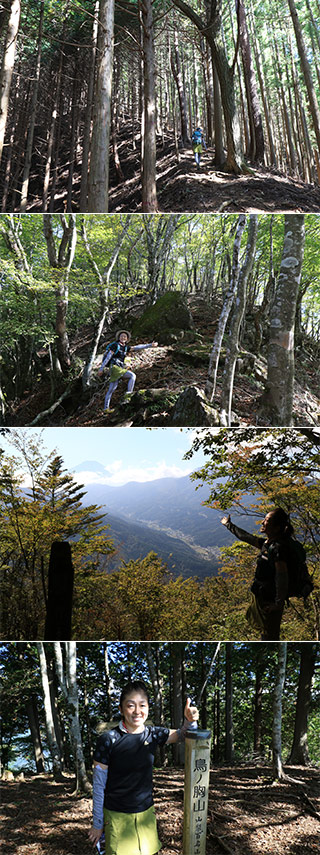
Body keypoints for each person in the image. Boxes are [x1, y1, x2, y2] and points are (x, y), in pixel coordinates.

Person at [88, 680, 199, 855]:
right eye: (131, 706)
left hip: (146, 813)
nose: (137, 711)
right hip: (117, 816)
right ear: (121, 709)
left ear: (148, 707)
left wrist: (190, 721)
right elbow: (99, 785)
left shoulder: (152, 733)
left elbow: (182, 735)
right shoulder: (108, 740)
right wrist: (98, 824)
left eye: (142, 705)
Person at [221, 508, 295, 641]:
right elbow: (246, 537)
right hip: (264, 596)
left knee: (269, 635)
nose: (263, 522)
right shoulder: (268, 544)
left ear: (277, 528)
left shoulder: (278, 549)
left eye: (267, 520)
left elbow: (282, 576)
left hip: (270, 600)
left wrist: (278, 603)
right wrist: (229, 525)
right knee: (265, 632)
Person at [98, 330, 158, 414]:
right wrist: (101, 368)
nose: (123, 337)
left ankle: (106, 409)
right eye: (121, 336)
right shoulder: (115, 345)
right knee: (132, 376)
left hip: (118, 368)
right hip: (115, 367)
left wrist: (149, 345)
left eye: (125, 337)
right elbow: (108, 357)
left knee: (112, 389)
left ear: (127, 339)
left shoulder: (125, 347)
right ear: (119, 338)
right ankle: (128, 395)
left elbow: (137, 347)